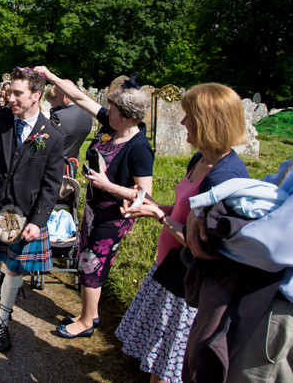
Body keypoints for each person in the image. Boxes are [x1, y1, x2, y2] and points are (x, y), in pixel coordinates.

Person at [117, 83, 249, 383]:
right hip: (171, 269)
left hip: (188, 283)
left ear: (207, 122)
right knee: (158, 357)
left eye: (188, 116)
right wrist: (150, 204)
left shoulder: (226, 177)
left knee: (168, 366)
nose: (181, 123)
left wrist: (158, 214)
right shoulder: (201, 159)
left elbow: (203, 242)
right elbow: (184, 211)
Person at [35, 66, 154, 339]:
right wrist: (51, 76)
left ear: (126, 117)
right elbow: (79, 98)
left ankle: (87, 322)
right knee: (86, 259)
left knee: (93, 264)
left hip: (113, 216)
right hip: (92, 209)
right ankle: (89, 313)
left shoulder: (139, 148)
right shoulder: (111, 125)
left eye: (111, 110)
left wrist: (108, 186)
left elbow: (145, 195)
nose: (105, 112)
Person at [0, 67, 66, 351]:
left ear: (36, 96)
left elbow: (52, 185)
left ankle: (2, 321)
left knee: (14, 270)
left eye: (17, 93)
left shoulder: (53, 135)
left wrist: (38, 221)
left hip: (26, 214)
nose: (9, 96)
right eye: (9, 91)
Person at [185, 158, 293, 383]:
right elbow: (266, 191)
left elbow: (272, 246)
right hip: (261, 292)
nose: (183, 122)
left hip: (278, 308)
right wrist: (200, 211)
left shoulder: (225, 170)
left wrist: (214, 233)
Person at [49, 79, 94, 162]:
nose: (58, 100)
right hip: (73, 162)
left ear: (64, 95)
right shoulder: (88, 114)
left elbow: (49, 142)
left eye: (57, 96)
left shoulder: (58, 115)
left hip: (55, 164)